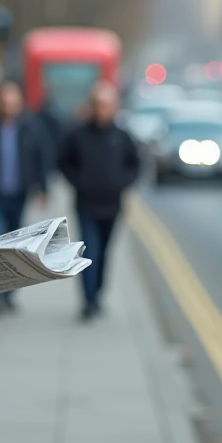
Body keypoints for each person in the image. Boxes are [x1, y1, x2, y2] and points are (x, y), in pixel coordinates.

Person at [58, 81, 141, 320]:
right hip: (86, 205)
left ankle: (98, 292)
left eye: (105, 105)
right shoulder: (78, 135)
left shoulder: (122, 137)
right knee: (89, 253)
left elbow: (135, 165)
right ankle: (88, 301)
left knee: (103, 254)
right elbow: (64, 162)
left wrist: (121, 183)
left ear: (113, 107)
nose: (100, 109)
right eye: (97, 104)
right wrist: (79, 181)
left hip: (112, 206)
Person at [0, 80, 52, 316]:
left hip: (19, 196)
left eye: (12, 101)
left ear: (19, 103)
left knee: (15, 248)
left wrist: (43, 188)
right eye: (4, 101)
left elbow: (40, 158)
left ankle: (8, 294)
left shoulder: (30, 128)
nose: (8, 106)